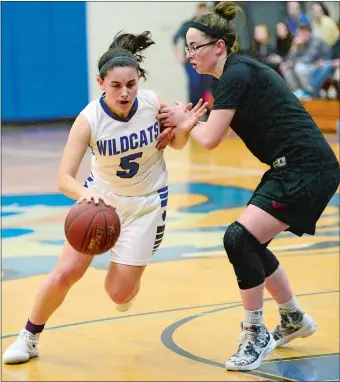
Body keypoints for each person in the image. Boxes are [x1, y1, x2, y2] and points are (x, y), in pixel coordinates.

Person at [2, 31, 206, 365]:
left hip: (147, 206)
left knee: (119, 295)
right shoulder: (88, 120)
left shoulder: (154, 103)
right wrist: (88, 195)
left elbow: (180, 145)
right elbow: (64, 179)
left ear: (139, 80)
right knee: (65, 273)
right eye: (115, 86)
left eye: (131, 84)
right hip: (102, 200)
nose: (124, 92)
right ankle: (28, 337)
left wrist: (182, 128)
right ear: (100, 83)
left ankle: (128, 283)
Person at [159, 1, 340, 372]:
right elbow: (215, 131)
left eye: (196, 46)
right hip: (293, 167)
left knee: (239, 239)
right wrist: (190, 122)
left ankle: (255, 332)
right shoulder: (235, 76)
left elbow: (209, 139)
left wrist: (185, 121)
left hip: (306, 168)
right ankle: (291, 317)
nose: (190, 54)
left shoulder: (235, 75)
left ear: (219, 46)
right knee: (249, 242)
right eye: (188, 47)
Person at [172, 2, 213, 107]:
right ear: (198, 11)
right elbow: (175, 40)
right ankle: (192, 109)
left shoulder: (210, 25)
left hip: (206, 61)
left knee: (205, 86)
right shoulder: (188, 25)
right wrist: (179, 57)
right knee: (194, 84)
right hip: (191, 61)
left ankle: (202, 109)